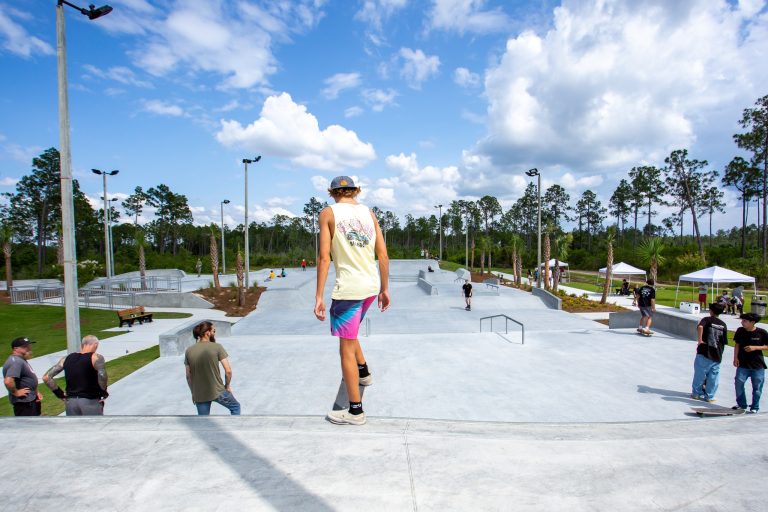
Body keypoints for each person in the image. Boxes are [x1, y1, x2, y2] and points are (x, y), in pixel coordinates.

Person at [315, 175, 390, 426]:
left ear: (333, 192)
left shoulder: (328, 213)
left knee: (345, 348)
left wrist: (318, 296)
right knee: (352, 330)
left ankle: (355, 411)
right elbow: (383, 255)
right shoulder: (369, 213)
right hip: (370, 286)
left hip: (348, 290)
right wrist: (384, 289)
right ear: (355, 191)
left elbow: (324, 258)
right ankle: (364, 372)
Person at [43, 335, 109, 415]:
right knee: (93, 426)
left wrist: (60, 394)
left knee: (74, 427)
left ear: (83, 344)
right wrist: (103, 392)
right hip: (90, 401)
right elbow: (102, 375)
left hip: (71, 403)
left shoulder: (66, 358)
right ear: (95, 344)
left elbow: (46, 377)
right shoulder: (96, 357)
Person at [184, 321, 240, 416]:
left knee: (204, 422)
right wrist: (227, 386)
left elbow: (188, 376)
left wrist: (194, 393)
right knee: (236, 407)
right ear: (208, 333)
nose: (214, 333)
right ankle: (234, 428)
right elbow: (228, 371)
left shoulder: (189, 351)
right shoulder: (217, 347)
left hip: (200, 394)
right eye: (214, 331)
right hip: (217, 391)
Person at [732, 312, 768, 413]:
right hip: (743, 364)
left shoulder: (762, 332)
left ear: (752, 322)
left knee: (757, 388)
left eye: (745, 321)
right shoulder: (740, 331)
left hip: (757, 366)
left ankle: (755, 407)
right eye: (742, 320)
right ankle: (742, 405)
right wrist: (735, 358)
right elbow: (737, 344)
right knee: (738, 383)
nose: (742, 322)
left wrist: (755, 347)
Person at [691, 303, 728, 402]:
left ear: (711, 311)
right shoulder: (723, 324)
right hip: (717, 353)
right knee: (713, 377)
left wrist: (700, 340)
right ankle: (710, 396)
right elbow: (724, 341)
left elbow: (700, 327)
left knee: (700, 374)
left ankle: (696, 393)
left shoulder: (706, 319)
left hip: (704, 351)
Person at [2, 337, 41, 416]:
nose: (28, 348)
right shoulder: (15, 362)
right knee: (28, 426)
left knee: (36, 425)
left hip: (29, 399)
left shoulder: (20, 359)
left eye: (29, 346)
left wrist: (36, 392)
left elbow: (27, 377)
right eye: (25, 347)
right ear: (15, 349)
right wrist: (16, 392)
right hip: (24, 403)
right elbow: (8, 381)